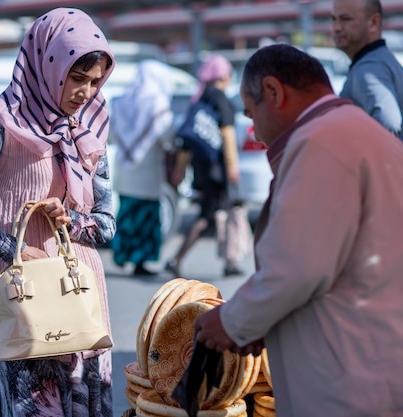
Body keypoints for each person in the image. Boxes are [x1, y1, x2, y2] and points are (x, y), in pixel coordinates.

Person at [194, 44, 403, 416]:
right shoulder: (363, 133)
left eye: (252, 112)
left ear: (273, 92)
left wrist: (231, 321)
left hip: (343, 378)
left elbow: (296, 268)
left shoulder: (321, 142)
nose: (255, 131)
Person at [0, 8, 116, 416]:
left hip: (80, 297)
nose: (86, 93)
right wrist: (15, 247)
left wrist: (72, 219)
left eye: (95, 81)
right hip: (24, 299)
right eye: (77, 78)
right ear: (48, 66)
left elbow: (106, 226)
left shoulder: (88, 131)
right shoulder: (3, 125)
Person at [165, 54, 246, 278]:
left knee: (223, 211)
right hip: (218, 170)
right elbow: (228, 135)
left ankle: (230, 261)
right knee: (207, 216)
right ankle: (176, 259)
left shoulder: (198, 100)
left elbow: (186, 141)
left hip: (201, 168)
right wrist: (232, 166)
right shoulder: (221, 100)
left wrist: (180, 170)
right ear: (222, 76)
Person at [110, 59, 175, 276]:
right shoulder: (158, 104)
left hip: (125, 169)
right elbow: (167, 135)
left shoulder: (121, 101)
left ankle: (121, 255)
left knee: (126, 214)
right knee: (147, 217)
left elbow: (110, 135)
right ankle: (140, 261)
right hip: (147, 171)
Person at [332, 0, 403, 139]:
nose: (336, 27)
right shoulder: (381, 60)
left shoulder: (369, 68)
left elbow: (389, 126)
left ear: (373, 23)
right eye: (333, 19)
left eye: (345, 19)